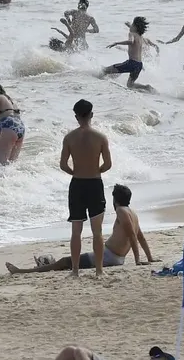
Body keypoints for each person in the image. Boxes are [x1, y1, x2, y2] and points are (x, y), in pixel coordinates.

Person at [7, 182, 156, 275]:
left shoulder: (121, 211)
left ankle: (22, 271)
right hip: (114, 257)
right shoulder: (132, 213)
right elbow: (140, 237)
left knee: (65, 261)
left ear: (115, 199)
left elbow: (132, 235)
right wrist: (149, 257)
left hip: (109, 256)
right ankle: (45, 265)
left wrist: (137, 260)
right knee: (66, 262)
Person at [64, 99, 109, 276]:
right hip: (94, 183)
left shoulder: (69, 138)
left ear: (76, 116)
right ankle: (99, 270)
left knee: (76, 231)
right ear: (91, 114)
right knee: (97, 231)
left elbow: (63, 165)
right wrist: (96, 170)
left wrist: (75, 172)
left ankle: (75, 270)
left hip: (77, 184)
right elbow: (108, 164)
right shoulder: (100, 137)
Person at [102, 17, 158, 92]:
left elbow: (131, 41)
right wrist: (130, 26)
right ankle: (147, 87)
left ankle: (98, 82)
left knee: (104, 70)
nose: (130, 26)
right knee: (130, 85)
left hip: (132, 63)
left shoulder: (131, 34)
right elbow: (135, 34)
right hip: (139, 65)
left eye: (132, 24)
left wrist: (116, 43)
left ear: (135, 27)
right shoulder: (141, 37)